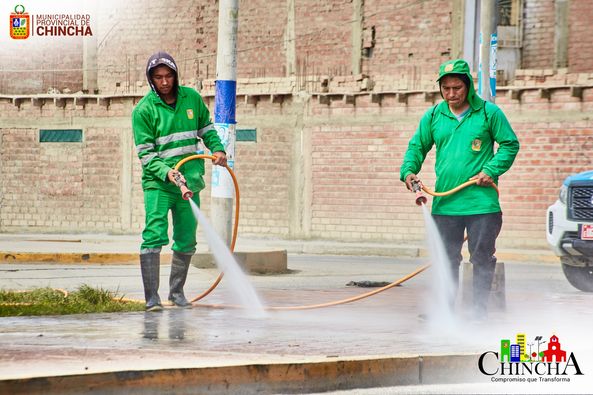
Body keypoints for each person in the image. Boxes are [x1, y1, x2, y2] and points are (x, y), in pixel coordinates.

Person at [399, 59, 520, 317]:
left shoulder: (489, 113)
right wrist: (409, 171)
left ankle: (478, 312)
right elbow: (416, 147)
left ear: (468, 86)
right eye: (446, 88)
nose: (451, 94)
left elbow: (510, 144)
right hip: (446, 204)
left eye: (457, 88)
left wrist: (491, 170)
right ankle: (445, 311)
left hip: (482, 203)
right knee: (447, 259)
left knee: (481, 258)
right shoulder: (434, 115)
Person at [132, 51, 227, 311]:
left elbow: (207, 129)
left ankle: (176, 293)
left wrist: (217, 149)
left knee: (186, 238)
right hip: (160, 184)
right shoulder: (143, 110)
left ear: (175, 75)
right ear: (151, 79)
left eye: (168, 76)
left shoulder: (192, 99)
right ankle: (152, 298)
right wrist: (168, 172)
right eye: (158, 77)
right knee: (154, 234)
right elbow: (146, 154)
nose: (164, 82)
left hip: (190, 181)